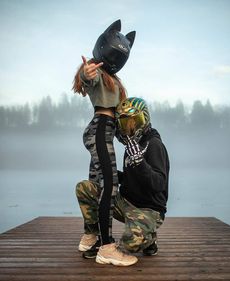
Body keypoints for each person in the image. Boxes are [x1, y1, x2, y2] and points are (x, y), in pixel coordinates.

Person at [72, 20, 137, 266]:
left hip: (106, 130)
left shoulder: (115, 80)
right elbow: (88, 79)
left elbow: (121, 113)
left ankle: (91, 237)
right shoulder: (96, 70)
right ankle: (107, 247)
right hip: (99, 129)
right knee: (110, 185)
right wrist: (85, 72)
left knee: (96, 185)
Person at [76, 97, 170, 261]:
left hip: (149, 209)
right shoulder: (132, 145)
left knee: (131, 242)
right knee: (85, 188)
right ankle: (99, 239)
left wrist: (140, 162)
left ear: (145, 119)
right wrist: (112, 174)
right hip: (126, 202)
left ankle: (149, 239)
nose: (130, 128)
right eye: (125, 124)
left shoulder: (154, 144)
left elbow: (159, 184)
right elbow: (131, 178)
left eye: (134, 122)